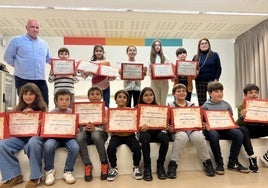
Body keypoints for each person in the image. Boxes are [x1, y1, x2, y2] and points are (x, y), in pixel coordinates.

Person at [0, 83, 47, 188]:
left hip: (35, 137)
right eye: (25, 94)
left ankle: (36, 177)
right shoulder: (16, 109)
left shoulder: (43, 109)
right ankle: (14, 176)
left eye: (31, 94)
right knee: (1, 144)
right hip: (19, 138)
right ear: (21, 96)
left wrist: (38, 119)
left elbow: (46, 128)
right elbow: (10, 129)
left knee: (33, 142)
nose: (28, 96)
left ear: (37, 95)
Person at [166, 84, 215, 179]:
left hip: (191, 129)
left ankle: (207, 162)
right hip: (177, 131)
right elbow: (167, 123)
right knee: (182, 137)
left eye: (183, 90)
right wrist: (169, 128)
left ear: (186, 92)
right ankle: (173, 164)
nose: (181, 92)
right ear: (174, 93)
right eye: (178, 91)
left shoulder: (192, 105)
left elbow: (197, 120)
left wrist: (203, 125)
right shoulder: (170, 106)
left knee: (199, 137)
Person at [202, 81, 249, 175]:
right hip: (212, 130)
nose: (219, 93)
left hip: (225, 129)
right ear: (210, 93)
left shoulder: (226, 105)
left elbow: (231, 119)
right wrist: (205, 126)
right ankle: (219, 162)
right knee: (214, 135)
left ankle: (233, 162)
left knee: (239, 134)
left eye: (221, 91)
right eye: (216, 91)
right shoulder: (205, 106)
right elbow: (203, 123)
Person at [3, 19, 51, 106]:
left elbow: (48, 59)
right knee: (25, 105)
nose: (35, 29)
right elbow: (7, 57)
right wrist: (18, 66)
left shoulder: (44, 44)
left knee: (44, 103)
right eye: (32, 27)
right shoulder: (17, 41)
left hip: (40, 78)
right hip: (22, 78)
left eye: (37, 27)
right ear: (26, 28)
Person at [43, 89, 79, 185]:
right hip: (54, 137)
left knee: (75, 147)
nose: (64, 102)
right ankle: (49, 171)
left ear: (70, 101)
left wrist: (77, 129)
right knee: (48, 145)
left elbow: (79, 127)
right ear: (56, 101)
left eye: (67, 99)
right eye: (61, 99)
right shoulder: (51, 113)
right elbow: (47, 128)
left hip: (69, 138)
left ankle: (68, 171)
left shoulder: (73, 113)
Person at [106, 90, 142, 181]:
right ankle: (113, 168)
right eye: (119, 97)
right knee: (110, 148)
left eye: (124, 97)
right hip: (116, 135)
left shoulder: (131, 111)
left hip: (129, 135)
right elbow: (108, 125)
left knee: (137, 148)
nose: (122, 99)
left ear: (127, 100)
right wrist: (106, 122)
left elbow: (136, 123)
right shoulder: (112, 112)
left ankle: (136, 167)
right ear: (116, 99)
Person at [76, 86, 109, 181]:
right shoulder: (82, 109)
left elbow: (107, 129)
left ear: (101, 97)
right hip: (86, 133)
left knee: (95, 134)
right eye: (92, 94)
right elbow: (79, 126)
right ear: (88, 96)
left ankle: (104, 163)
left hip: (100, 135)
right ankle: (87, 164)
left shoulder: (105, 109)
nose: (95, 96)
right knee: (79, 136)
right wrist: (83, 128)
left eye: (97, 94)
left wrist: (97, 127)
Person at [138, 87, 169, 181]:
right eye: (146, 95)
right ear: (142, 97)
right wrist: (140, 128)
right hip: (144, 133)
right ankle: (147, 167)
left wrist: (165, 125)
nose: (148, 97)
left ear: (154, 96)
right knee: (145, 137)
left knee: (164, 137)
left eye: (151, 95)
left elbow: (163, 122)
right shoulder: (138, 108)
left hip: (156, 133)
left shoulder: (158, 107)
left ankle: (160, 165)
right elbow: (135, 125)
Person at [236, 84, 268, 172]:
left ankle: (266, 157)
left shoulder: (263, 105)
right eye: (250, 93)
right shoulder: (241, 106)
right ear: (245, 95)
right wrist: (242, 116)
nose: (254, 94)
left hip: (259, 129)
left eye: (256, 92)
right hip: (247, 131)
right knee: (242, 128)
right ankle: (252, 157)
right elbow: (238, 123)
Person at [192, 38, 222, 106]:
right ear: (199, 46)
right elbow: (192, 69)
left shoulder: (214, 55)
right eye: (202, 44)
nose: (204, 45)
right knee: (201, 102)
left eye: (206, 43)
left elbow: (219, 68)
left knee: (214, 101)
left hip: (212, 82)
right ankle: (203, 116)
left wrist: (216, 79)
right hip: (199, 82)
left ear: (209, 45)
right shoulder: (195, 57)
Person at [145, 39, 170, 105]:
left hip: (164, 81)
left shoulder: (165, 57)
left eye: (159, 45)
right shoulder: (149, 58)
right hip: (154, 81)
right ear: (153, 47)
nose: (157, 46)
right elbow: (146, 70)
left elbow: (170, 68)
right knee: (156, 100)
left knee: (163, 100)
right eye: (155, 45)